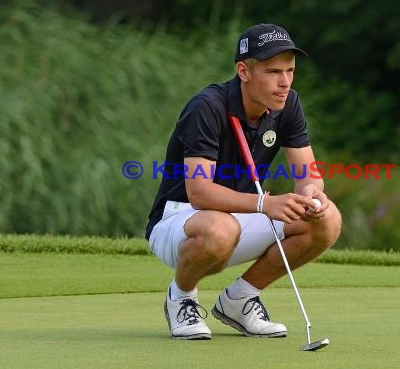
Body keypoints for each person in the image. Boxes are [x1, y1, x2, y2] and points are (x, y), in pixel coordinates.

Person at [145, 23, 342, 340]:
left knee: (328, 219)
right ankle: (180, 298)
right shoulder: (207, 107)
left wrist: (312, 197)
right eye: (273, 71)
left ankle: (239, 299)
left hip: (242, 216)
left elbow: (308, 176)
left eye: (290, 71)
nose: (284, 82)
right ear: (244, 71)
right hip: (179, 220)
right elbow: (199, 192)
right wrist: (266, 203)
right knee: (221, 229)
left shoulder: (288, 104)